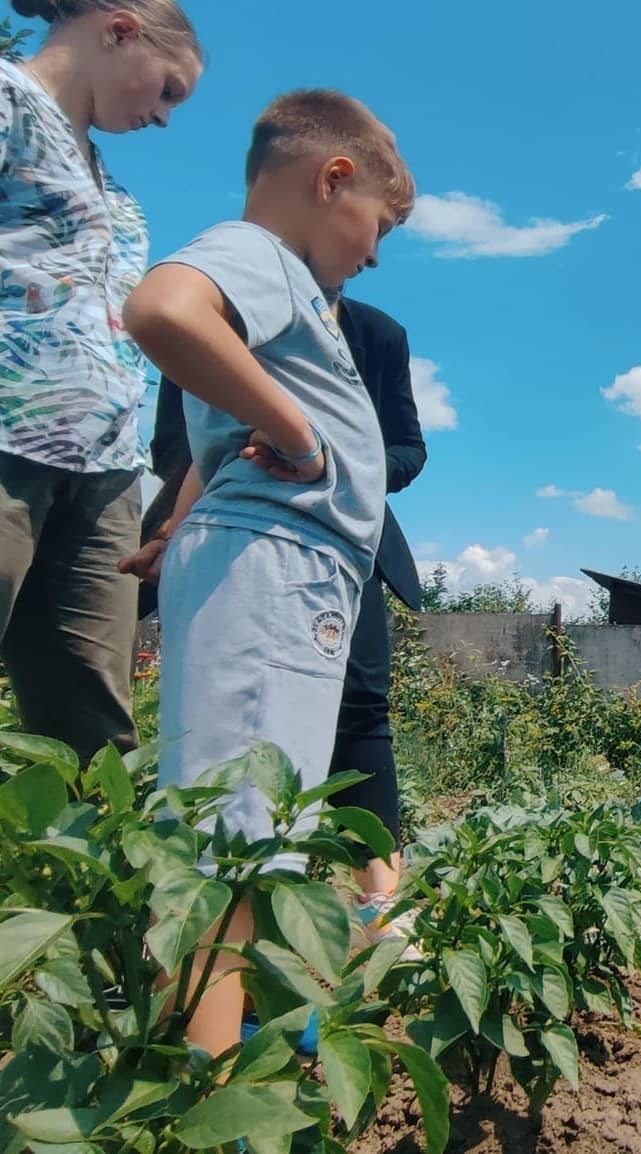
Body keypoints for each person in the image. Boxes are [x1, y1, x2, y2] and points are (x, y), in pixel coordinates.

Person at [117, 88, 414, 1058]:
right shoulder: (263, 259)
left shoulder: (286, 294)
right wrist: (298, 429)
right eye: (371, 228)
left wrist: (177, 525)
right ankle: (212, 1085)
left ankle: (249, 1044)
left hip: (282, 567)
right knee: (235, 848)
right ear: (334, 179)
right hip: (274, 569)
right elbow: (160, 308)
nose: (371, 255)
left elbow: (214, 439)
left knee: (254, 829)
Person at [143, 291, 427, 940]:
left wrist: (332, 460)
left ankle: (380, 911)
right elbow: (172, 443)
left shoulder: (376, 330)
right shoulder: (209, 319)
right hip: (228, 532)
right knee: (224, 710)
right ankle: (223, 913)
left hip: (345, 542)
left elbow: (408, 449)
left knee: (361, 707)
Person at [0, 0, 201, 764]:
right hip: (6, 435)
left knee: (94, 727)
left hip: (107, 468)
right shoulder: (7, 99)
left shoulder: (121, 197)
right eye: (168, 90)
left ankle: (82, 884)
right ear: (120, 32)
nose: (163, 116)